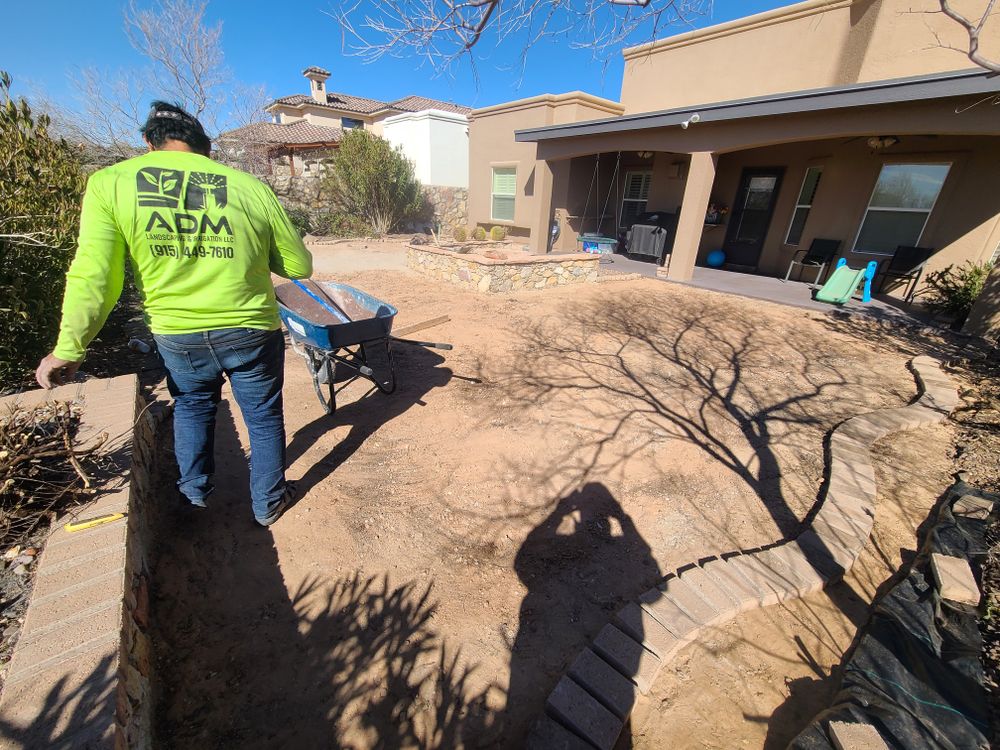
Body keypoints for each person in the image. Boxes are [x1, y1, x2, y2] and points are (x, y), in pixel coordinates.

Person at [35, 101, 313, 527]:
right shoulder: (247, 186)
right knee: (262, 415)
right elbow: (298, 267)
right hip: (250, 328)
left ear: (149, 141)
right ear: (207, 150)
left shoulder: (111, 183)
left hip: (178, 333)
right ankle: (269, 502)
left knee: (193, 407)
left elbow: (95, 275)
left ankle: (195, 498)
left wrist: (69, 347)